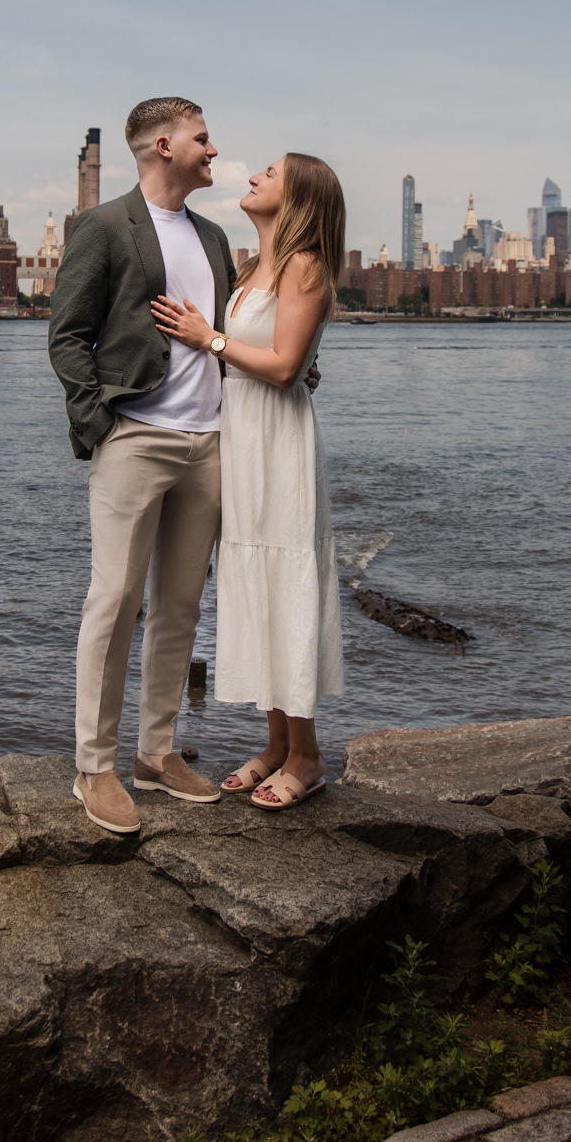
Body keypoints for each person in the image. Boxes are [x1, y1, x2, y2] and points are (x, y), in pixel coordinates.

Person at [46, 98, 237, 833]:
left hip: (209, 443)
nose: (213, 149)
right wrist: (103, 422)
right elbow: (67, 336)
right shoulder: (103, 225)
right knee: (116, 597)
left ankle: (156, 756)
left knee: (181, 606)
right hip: (138, 435)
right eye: (202, 137)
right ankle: (94, 765)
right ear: (163, 144)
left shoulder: (214, 237)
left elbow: (219, 335)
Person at [150, 152, 345, 811]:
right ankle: (274, 744)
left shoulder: (305, 264)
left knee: (286, 583)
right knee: (254, 582)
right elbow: (271, 354)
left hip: (280, 443)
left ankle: (308, 754)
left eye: (271, 171)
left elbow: (288, 367)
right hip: (242, 438)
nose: (255, 175)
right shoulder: (247, 267)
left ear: (299, 197)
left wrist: (209, 339)